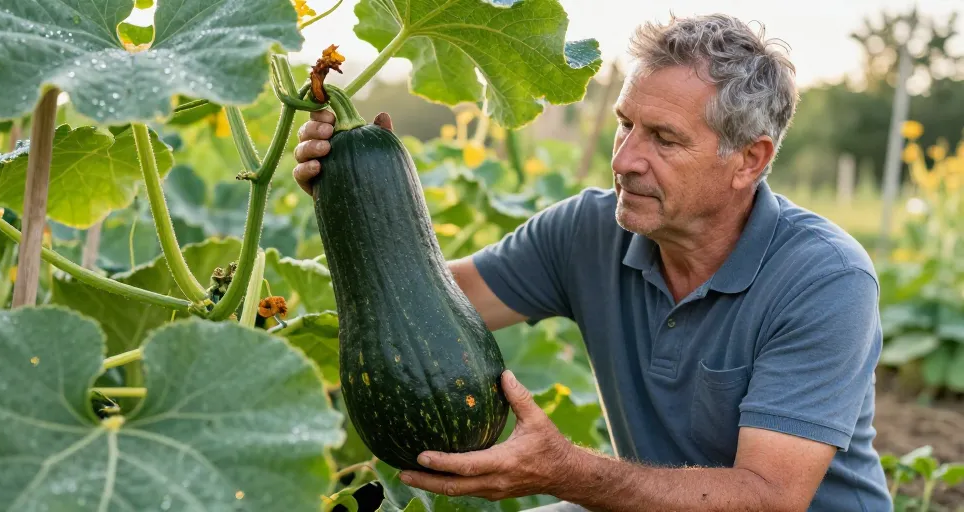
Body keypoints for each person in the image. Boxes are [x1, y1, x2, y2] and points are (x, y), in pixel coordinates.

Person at [292, 13, 893, 512]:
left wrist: (563, 470)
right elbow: (414, 304)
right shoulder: (587, 230)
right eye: (625, 126)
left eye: (664, 138)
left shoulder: (824, 278)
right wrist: (359, 206)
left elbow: (769, 500)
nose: (627, 159)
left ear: (748, 160)